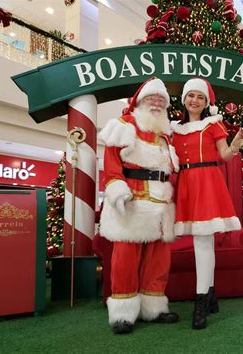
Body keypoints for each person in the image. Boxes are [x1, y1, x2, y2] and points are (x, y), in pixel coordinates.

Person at [98, 77, 180, 335]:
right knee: (125, 258)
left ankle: (153, 308)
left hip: (161, 203)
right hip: (132, 201)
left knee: (158, 259)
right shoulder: (123, 126)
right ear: (140, 101)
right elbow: (111, 165)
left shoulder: (167, 135)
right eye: (151, 99)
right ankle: (123, 313)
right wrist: (117, 190)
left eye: (161, 100)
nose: (156, 103)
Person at [170, 78, 243, 330]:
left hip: (207, 181)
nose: (195, 100)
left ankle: (201, 302)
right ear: (184, 99)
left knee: (202, 242)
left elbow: (224, 155)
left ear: (206, 102)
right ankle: (211, 296)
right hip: (186, 183)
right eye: (190, 95)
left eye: (200, 97)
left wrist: (236, 143)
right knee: (202, 242)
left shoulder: (213, 125)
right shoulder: (174, 129)